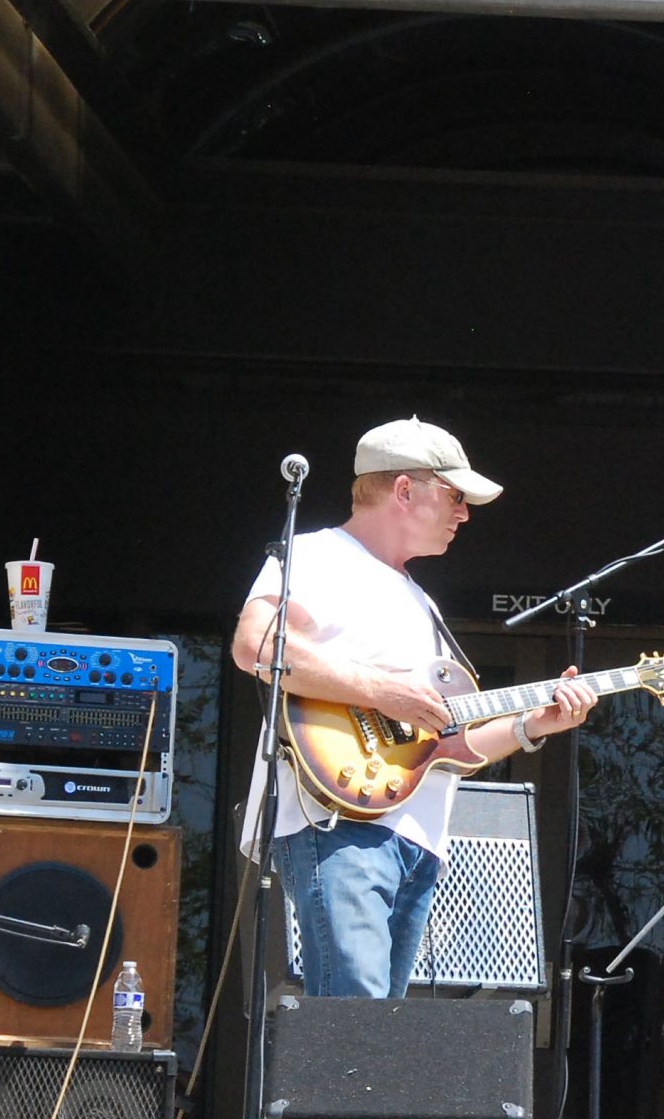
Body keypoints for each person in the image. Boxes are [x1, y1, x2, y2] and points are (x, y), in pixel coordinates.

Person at [232, 417, 599, 997]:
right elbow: (257, 645)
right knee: (359, 1026)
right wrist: (385, 692)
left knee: (382, 1036)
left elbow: (447, 747)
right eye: (454, 495)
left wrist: (534, 723)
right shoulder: (320, 555)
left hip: (414, 838)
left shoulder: (419, 599)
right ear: (404, 490)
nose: (464, 513)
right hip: (341, 824)